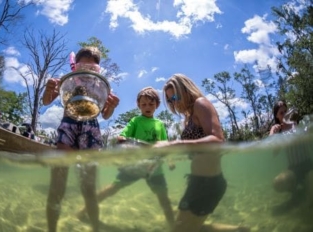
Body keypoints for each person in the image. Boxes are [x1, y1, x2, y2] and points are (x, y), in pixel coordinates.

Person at [153, 74, 250, 232]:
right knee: (182, 228)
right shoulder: (188, 117)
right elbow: (194, 149)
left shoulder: (201, 103)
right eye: (170, 100)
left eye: (175, 96)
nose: (174, 102)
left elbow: (218, 140)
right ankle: (239, 230)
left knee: (181, 229)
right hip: (196, 182)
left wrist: (175, 143)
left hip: (209, 183)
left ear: (186, 90)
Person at [42, 46, 120, 232]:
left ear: (98, 69)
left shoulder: (101, 85)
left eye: (93, 69)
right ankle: (52, 228)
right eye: (83, 67)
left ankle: (94, 227)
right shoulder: (67, 81)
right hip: (68, 126)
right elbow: (46, 101)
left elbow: (106, 115)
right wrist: (48, 88)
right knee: (57, 185)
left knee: (89, 189)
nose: (87, 72)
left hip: (91, 130)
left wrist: (112, 107)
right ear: (75, 66)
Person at [77, 86, 175, 229]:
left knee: (163, 198)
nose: (147, 107)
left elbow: (165, 146)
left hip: (154, 168)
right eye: (144, 104)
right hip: (134, 165)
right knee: (112, 189)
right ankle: (82, 211)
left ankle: (175, 225)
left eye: (151, 104)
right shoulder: (135, 121)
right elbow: (123, 135)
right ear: (138, 105)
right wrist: (122, 138)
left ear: (157, 105)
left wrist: (170, 160)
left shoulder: (159, 124)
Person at [269, 100, 313, 211]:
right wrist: (273, 135)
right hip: (294, 169)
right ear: (277, 117)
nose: (284, 114)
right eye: (281, 113)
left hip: (308, 166)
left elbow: (309, 132)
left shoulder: (299, 124)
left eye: (285, 111)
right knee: (277, 182)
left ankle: (306, 198)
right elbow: (274, 152)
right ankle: (297, 193)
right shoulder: (279, 131)